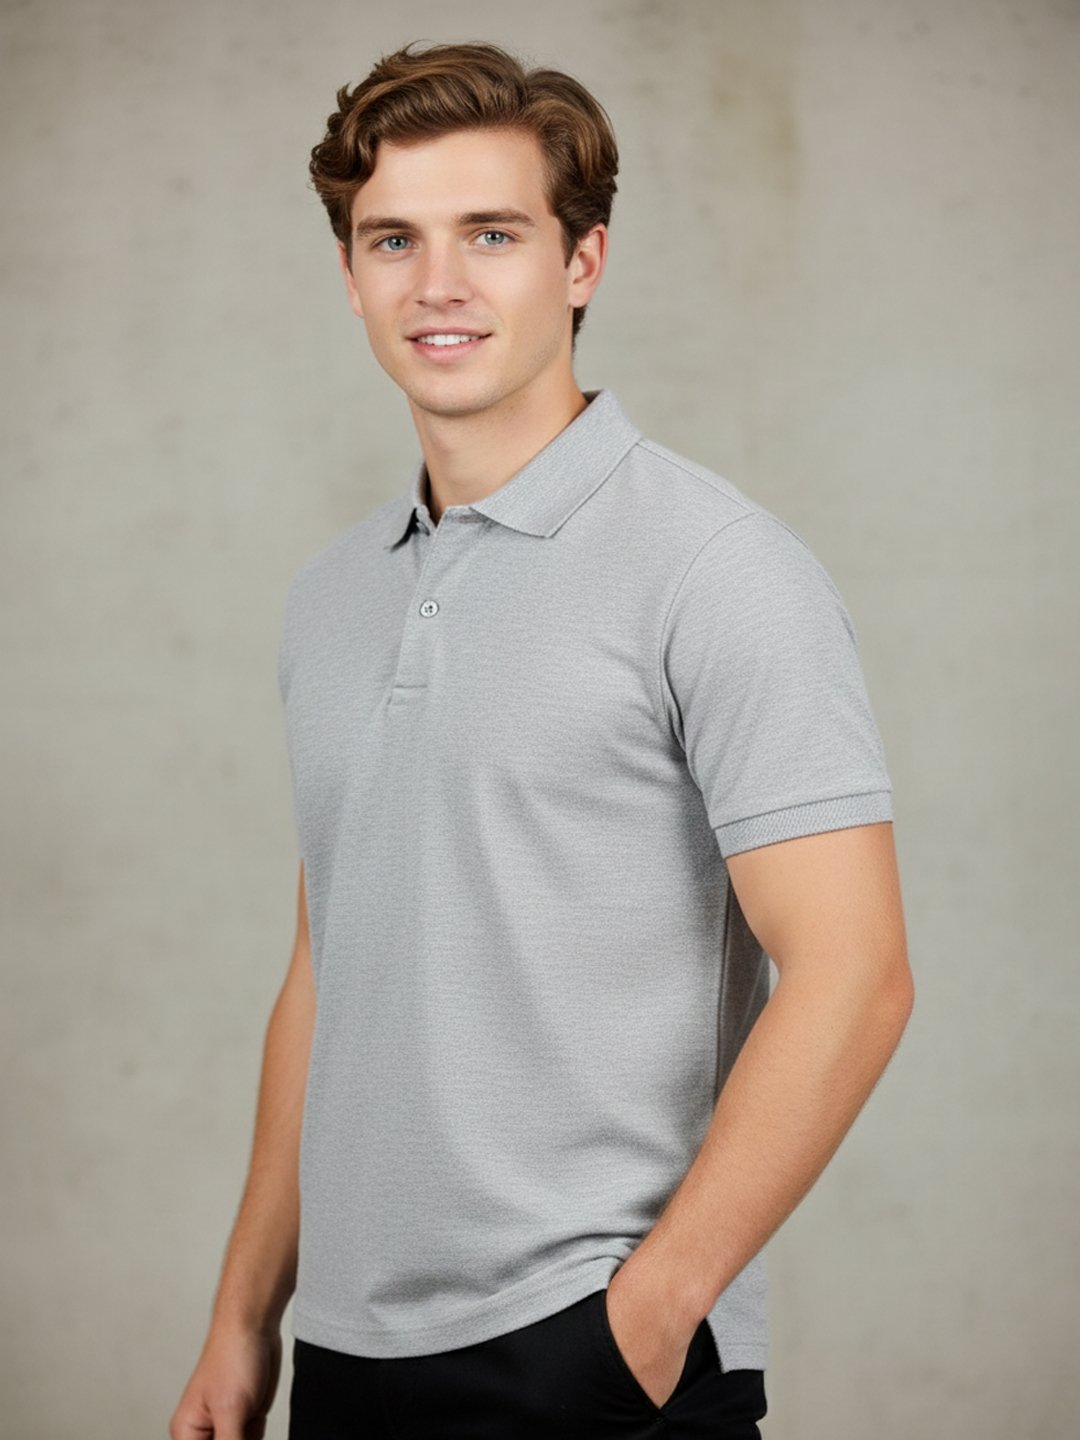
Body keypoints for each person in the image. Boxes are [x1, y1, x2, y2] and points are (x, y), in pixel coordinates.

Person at [170, 39, 913, 1440]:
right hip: (346, 1356)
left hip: (591, 1351)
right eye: (393, 239)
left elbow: (856, 972)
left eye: (493, 235)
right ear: (350, 277)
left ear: (582, 262)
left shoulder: (715, 567)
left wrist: (647, 1318)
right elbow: (329, 966)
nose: (437, 284)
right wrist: (241, 1319)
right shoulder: (330, 597)